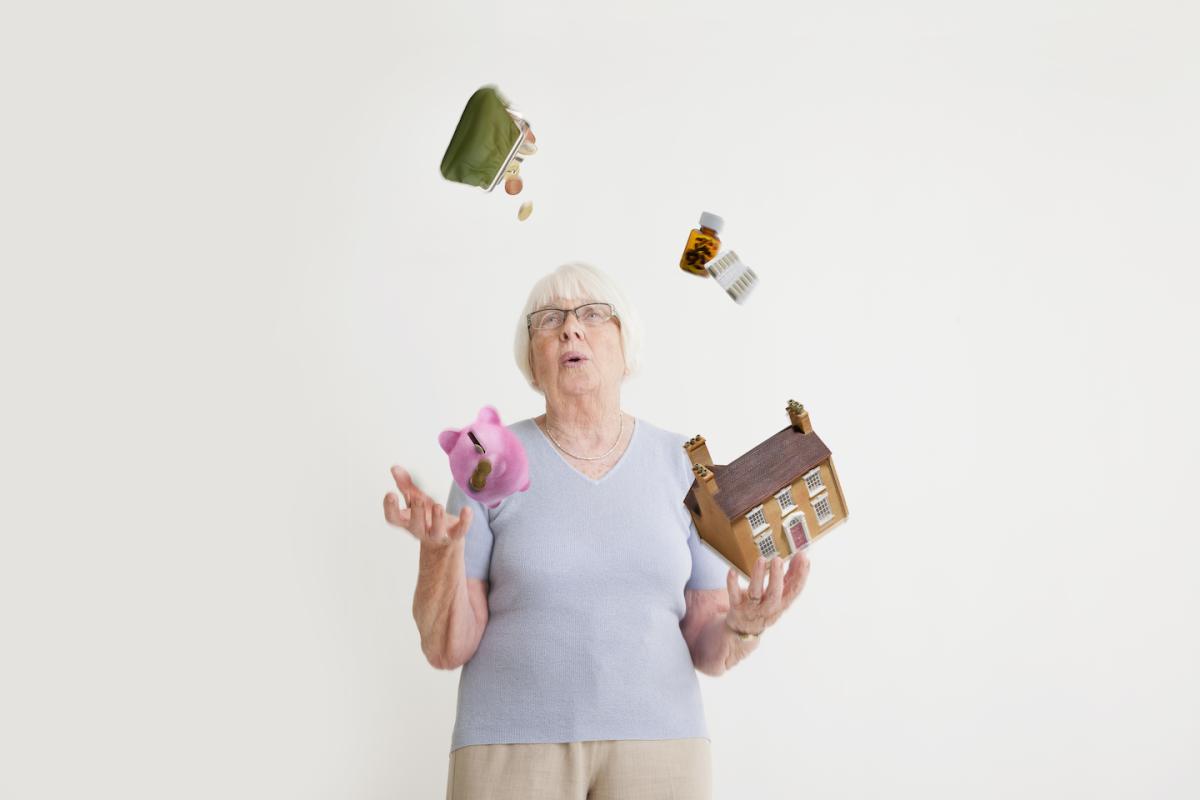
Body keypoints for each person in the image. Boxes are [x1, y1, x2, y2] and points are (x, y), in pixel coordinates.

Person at [383, 262, 811, 799]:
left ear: (626, 345)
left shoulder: (685, 465)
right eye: (549, 320)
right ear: (532, 361)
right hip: (509, 747)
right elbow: (446, 648)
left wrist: (745, 627)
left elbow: (708, 644)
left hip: (661, 748)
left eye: (592, 314)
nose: (570, 329)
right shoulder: (487, 461)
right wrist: (438, 557)